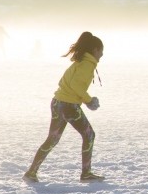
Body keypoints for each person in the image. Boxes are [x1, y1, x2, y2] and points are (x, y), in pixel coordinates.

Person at [23, 32, 105, 183]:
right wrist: (89, 100)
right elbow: (75, 85)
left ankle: (31, 172)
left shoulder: (79, 62)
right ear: (94, 50)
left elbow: (66, 82)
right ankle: (86, 174)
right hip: (69, 106)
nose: (102, 54)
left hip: (57, 103)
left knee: (52, 139)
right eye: (101, 50)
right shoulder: (87, 64)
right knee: (89, 135)